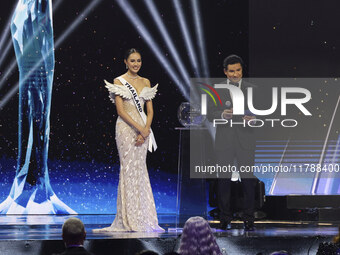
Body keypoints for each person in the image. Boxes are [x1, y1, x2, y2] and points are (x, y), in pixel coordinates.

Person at [93, 48, 163, 232]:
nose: (136, 64)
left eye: (138, 60)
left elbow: (150, 111)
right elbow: (121, 111)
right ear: (125, 62)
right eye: (132, 61)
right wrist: (141, 129)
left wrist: (146, 129)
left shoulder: (146, 81)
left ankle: (143, 217)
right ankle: (128, 218)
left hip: (143, 130)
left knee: (140, 170)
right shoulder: (119, 81)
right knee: (128, 170)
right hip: (126, 129)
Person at [207, 54, 257, 231]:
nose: (235, 74)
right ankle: (225, 218)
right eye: (231, 71)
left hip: (246, 140)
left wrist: (253, 119)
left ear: (242, 70)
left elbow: (263, 114)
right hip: (225, 141)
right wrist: (222, 114)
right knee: (223, 181)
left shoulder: (252, 89)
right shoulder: (217, 89)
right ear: (225, 72)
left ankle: (249, 219)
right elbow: (210, 113)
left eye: (238, 70)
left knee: (248, 181)